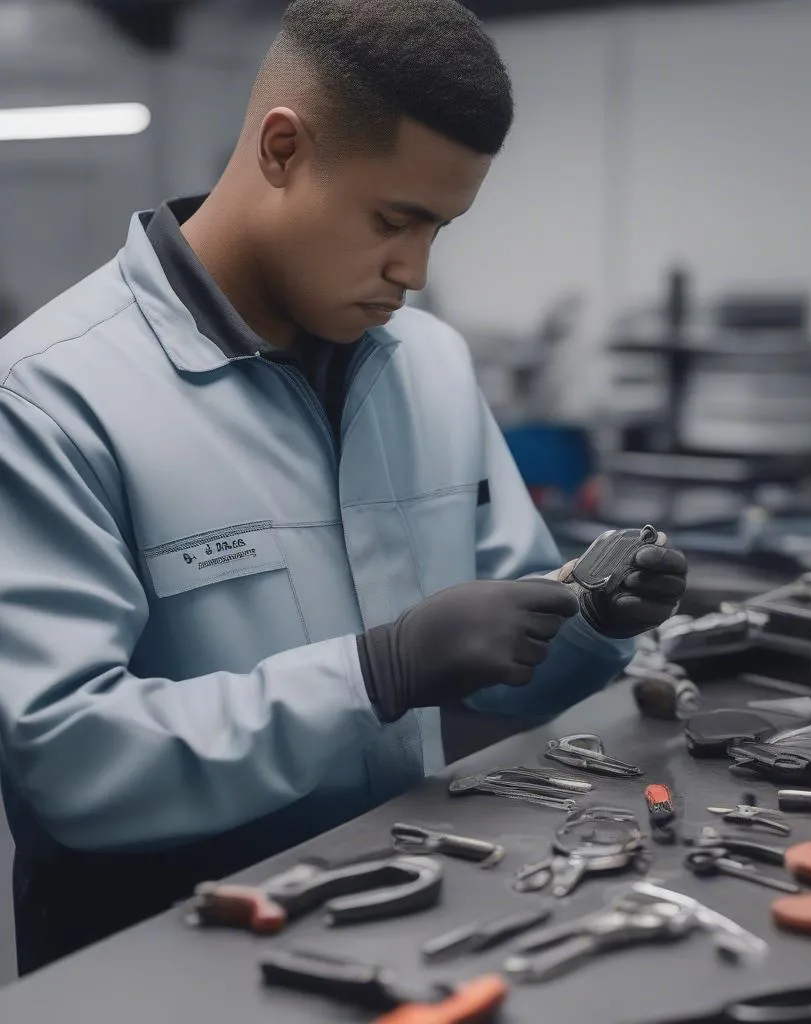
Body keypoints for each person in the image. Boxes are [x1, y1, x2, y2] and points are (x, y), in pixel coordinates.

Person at [0, 0, 688, 974]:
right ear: (283, 148)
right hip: (153, 953)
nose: (413, 270)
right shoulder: (49, 398)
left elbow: (509, 648)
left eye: (440, 228)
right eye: (392, 221)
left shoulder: (430, 366)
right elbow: (72, 763)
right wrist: (373, 674)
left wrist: (591, 618)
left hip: (405, 909)